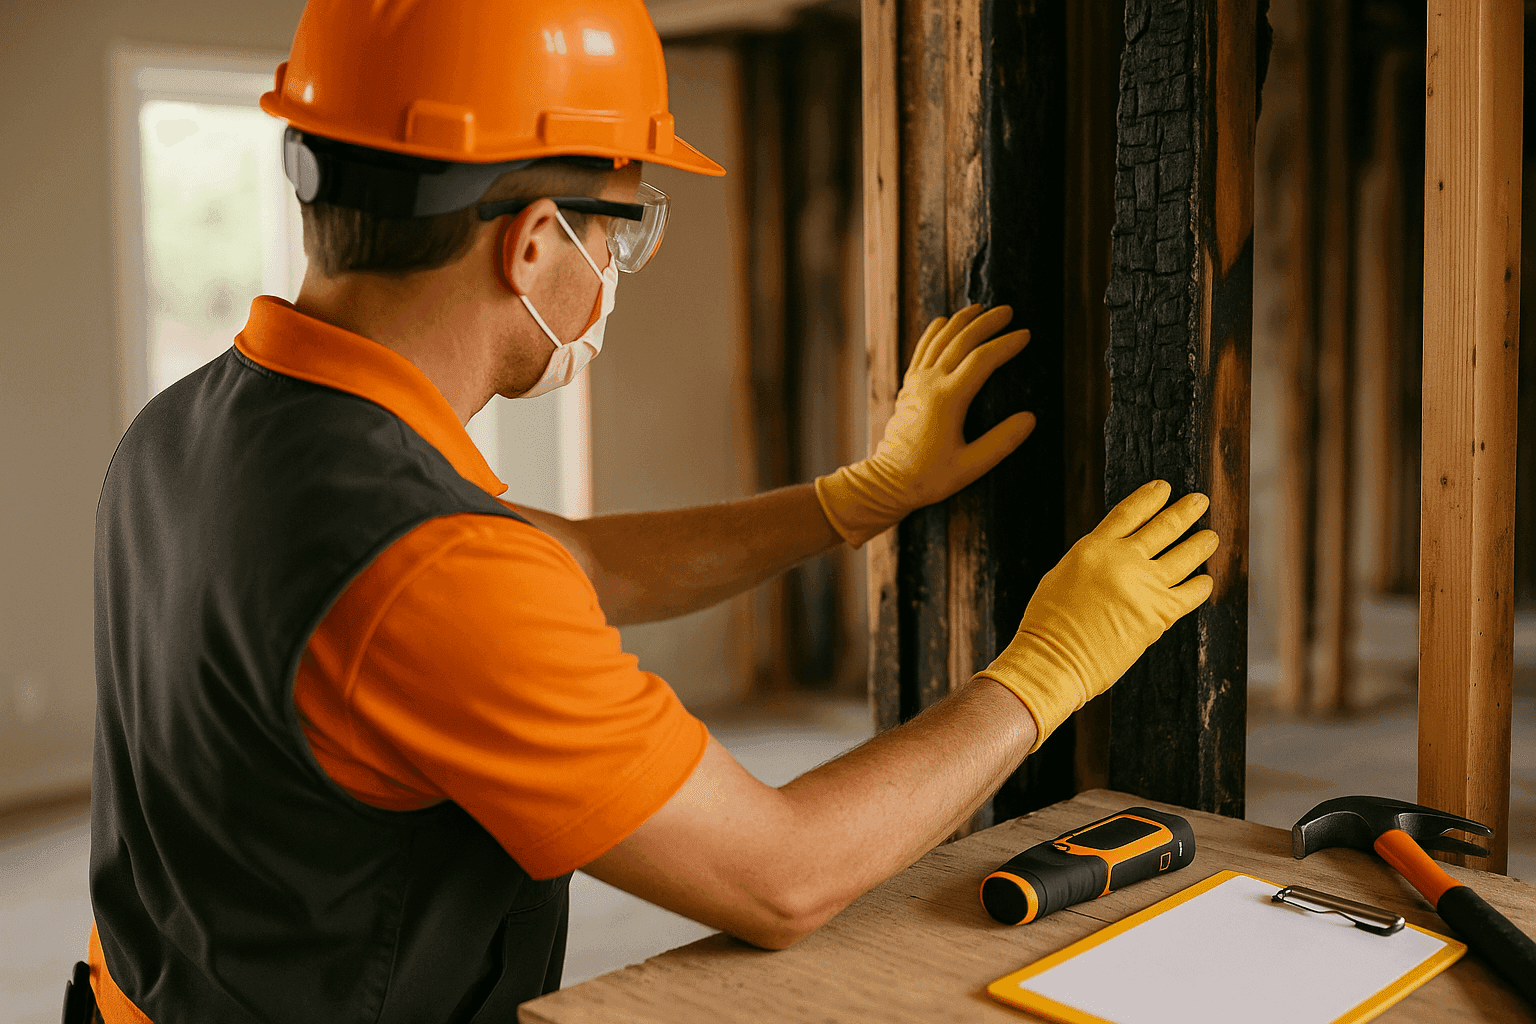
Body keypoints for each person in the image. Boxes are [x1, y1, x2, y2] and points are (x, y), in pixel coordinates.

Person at [76, 0, 1219, 1020]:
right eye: (620, 229)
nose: (620, 262)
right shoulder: (430, 571)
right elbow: (782, 873)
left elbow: (564, 562)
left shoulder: (193, 426)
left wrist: (854, 499)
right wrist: (1044, 669)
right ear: (532, 247)